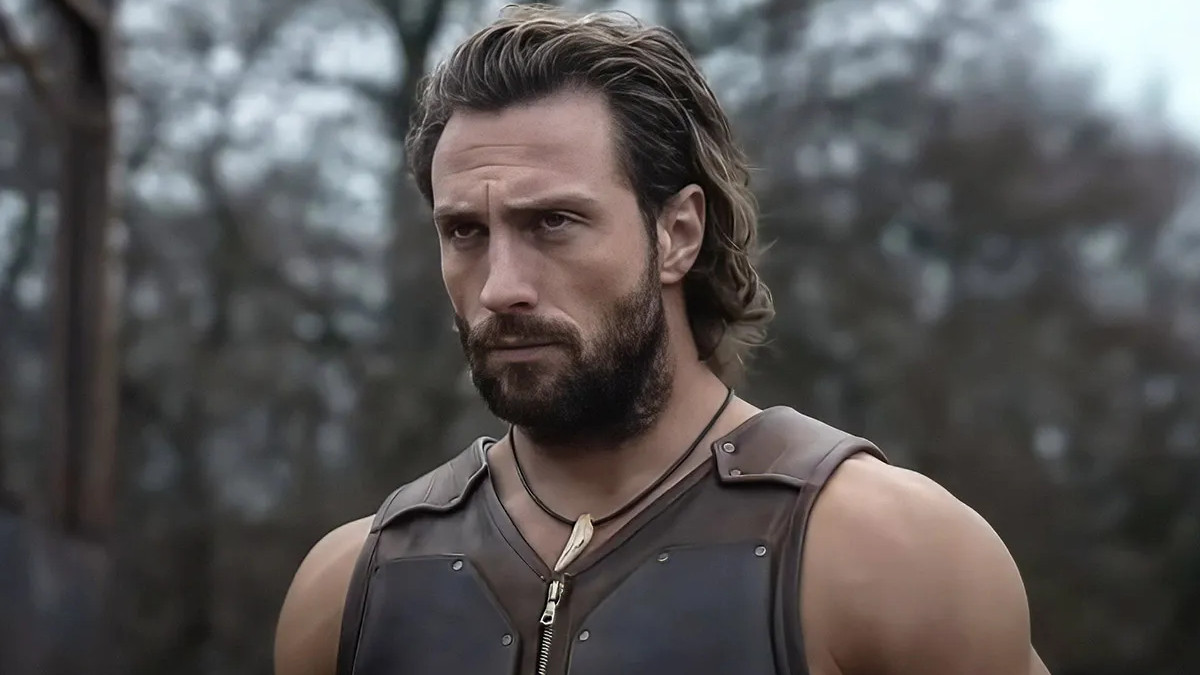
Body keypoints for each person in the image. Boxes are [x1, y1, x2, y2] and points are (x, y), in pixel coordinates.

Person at [274, 5, 1051, 675]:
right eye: (465, 232)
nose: (501, 285)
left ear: (677, 232)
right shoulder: (354, 590)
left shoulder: (889, 555)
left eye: (553, 222)